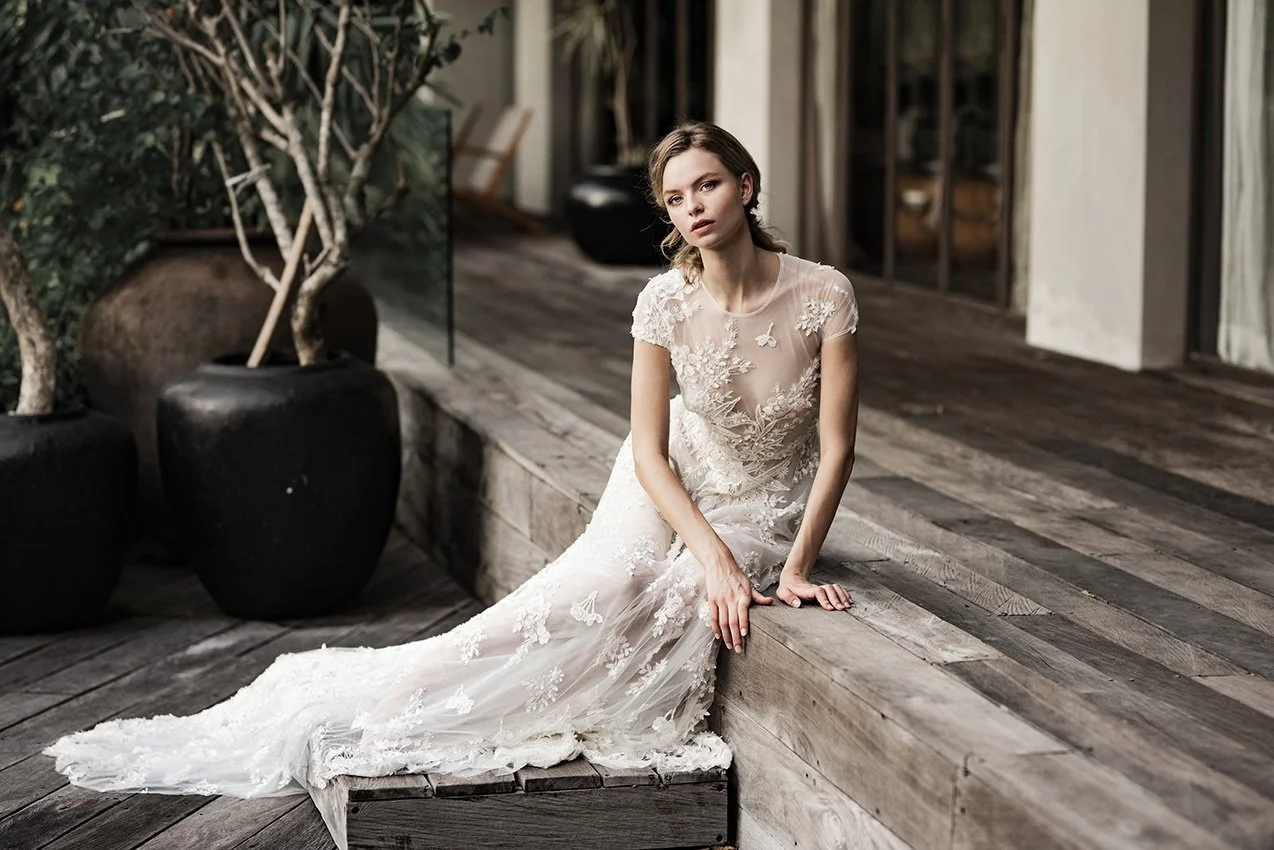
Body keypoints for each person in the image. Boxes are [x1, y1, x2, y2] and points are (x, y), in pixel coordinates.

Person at [43, 120, 859, 847]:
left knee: (679, 599)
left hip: (762, 500)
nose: (693, 207)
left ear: (745, 185)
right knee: (603, 586)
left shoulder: (824, 294)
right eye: (676, 198)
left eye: (707, 185)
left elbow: (836, 449)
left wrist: (794, 566)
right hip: (671, 471)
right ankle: (416, 688)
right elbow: (649, 452)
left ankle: (509, 689)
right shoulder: (663, 303)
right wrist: (711, 554)